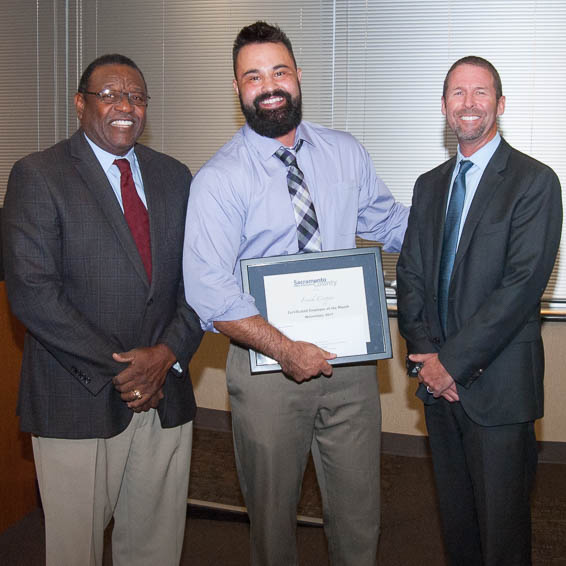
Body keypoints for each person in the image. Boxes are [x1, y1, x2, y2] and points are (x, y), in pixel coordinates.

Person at [183, 21, 408, 566]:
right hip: (266, 371)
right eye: (253, 76)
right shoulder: (219, 179)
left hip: (350, 367)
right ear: (238, 90)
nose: (269, 85)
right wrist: (286, 348)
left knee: (359, 517)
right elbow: (208, 290)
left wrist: (462, 223)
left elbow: (391, 222)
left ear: (299, 77)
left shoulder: (344, 153)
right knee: (272, 520)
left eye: (279, 70)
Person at [2, 53, 203, 566]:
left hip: (166, 392)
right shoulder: (38, 175)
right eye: (110, 94)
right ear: (80, 103)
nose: (125, 107)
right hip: (78, 396)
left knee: (156, 546)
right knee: (77, 550)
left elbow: (201, 281)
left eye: (136, 97)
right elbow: (33, 292)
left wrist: (165, 355)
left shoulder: (175, 177)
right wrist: (128, 369)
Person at [396, 56, 562, 566]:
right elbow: (411, 275)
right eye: (457, 93)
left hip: (498, 391)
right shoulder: (429, 184)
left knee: (502, 536)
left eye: (480, 92)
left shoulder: (534, 182)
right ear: (444, 107)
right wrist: (425, 352)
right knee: (458, 527)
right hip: (438, 389)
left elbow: (520, 288)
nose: (469, 103)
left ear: (501, 104)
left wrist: (451, 364)